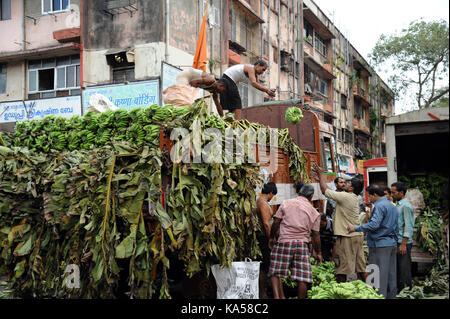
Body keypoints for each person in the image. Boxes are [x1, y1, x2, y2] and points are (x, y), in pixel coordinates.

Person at [312, 163, 366, 283]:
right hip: (356, 236)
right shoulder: (352, 197)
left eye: (348, 183)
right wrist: (322, 179)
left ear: (351, 188)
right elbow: (331, 192)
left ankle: (341, 291)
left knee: (341, 269)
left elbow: (325, 190)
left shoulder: (347, 197)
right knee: (360, 268)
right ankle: (370, 290)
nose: (345, 184)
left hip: (347, 237)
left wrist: (321, 175)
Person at [268, 184, 322, 299]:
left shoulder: (286, 203)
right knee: (302, 277)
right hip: (302, 244)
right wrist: (318, 253)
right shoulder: (314, 212)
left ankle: (277, 297)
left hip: (284, 242)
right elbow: (316, 235)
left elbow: (276, 222)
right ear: (311, 196)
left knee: (275, 272)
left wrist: (271, 238)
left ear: (299, 192)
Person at [348, 184, 399, 299]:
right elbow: (396, 226)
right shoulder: (392, 205)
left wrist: (355, 228)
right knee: (391, 274)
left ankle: (378, 297)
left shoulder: (379, 206)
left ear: (375, 195)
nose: (369, 199)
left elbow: (374, 225)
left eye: (370, 196)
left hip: (379, 245)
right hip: (391, 244)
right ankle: (392, 296)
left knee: (377, 275)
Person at [254, 182, 278, 299]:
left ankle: (263, 291)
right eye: (272, 195)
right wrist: (270, 239)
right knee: (263, 266)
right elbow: (266, 223)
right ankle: (263, 293)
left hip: (263, 237)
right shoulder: (262, 203)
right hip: (264, 238)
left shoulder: (260, 201)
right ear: (270, 193)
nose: (272, 198)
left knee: (263, 265)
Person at [391, 181, 415, 293]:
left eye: (394, 192)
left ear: (401, 193)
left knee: (404, 270)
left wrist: (403, 244)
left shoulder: (406, 206)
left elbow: (408, 226)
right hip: (398, 241)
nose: (392, 195)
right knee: (399, 269)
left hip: (403, 243)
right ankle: (400, 291)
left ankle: (406, 292)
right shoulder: (399, 205)